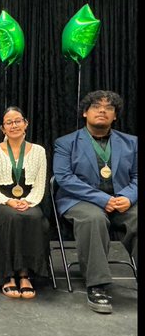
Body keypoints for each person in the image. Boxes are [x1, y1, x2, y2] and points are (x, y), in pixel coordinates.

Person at [54, 90, 138, 314]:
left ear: (115, 116)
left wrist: (128, 197)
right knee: (93, 219)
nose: (102, 110)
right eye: (96, 107)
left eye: (109, 108)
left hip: (122, 201)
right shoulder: (65, 143)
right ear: (85, 113)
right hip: (81, 200)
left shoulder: (132, 143)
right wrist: (103, 199)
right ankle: (97, 286)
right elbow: (64, 178)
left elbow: (137, 177)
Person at [0, 106, 48, 300]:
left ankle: (25, 275)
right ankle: (7, 275)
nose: (14, 125)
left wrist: (28, 201)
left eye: (17, 120)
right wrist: (9, 201)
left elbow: (40, 185)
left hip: (28, 201)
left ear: (26, 124)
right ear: (3, 129)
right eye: (9, 122)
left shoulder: (39, 151)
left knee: (34, 217)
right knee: (11, 218)